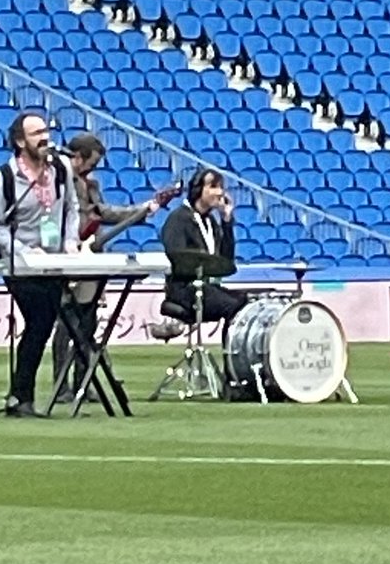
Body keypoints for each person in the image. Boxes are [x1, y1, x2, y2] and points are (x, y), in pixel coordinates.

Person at [0, 110, 79, 418]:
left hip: (54, 261)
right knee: (39, 321)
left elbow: (71, 208)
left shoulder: (61, 168)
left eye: (46, 131)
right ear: (20, 141)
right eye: (37, 133)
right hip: (21, 265)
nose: (45, 137)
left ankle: (19, 396)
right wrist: (23, 251)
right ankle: (21, 395)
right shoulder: (6, 177)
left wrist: (70, 242)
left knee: (42, 325)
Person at [52, 133, 159, 403]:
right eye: (91, 161)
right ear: (78, 157)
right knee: (66, 323)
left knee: (87, 321)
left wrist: (140, 211)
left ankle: (83, 381)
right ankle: (61, 384)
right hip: (66, 255)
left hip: (90, 255)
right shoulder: (58, 179)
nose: (93, 167)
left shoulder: (91, 184)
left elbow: (103, 213)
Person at [160, 168, 247, 349]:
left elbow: (225, 261)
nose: (220, 192)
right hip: (184, 289)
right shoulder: (179, 219)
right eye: (213, 186)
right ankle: (230, 363)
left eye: (221, 187)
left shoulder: (211, 222)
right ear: (198, 190)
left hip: (207, 286)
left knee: (244, 301)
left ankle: (238, 364)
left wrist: (226, 220)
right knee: (232, 305)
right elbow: (178, 258)